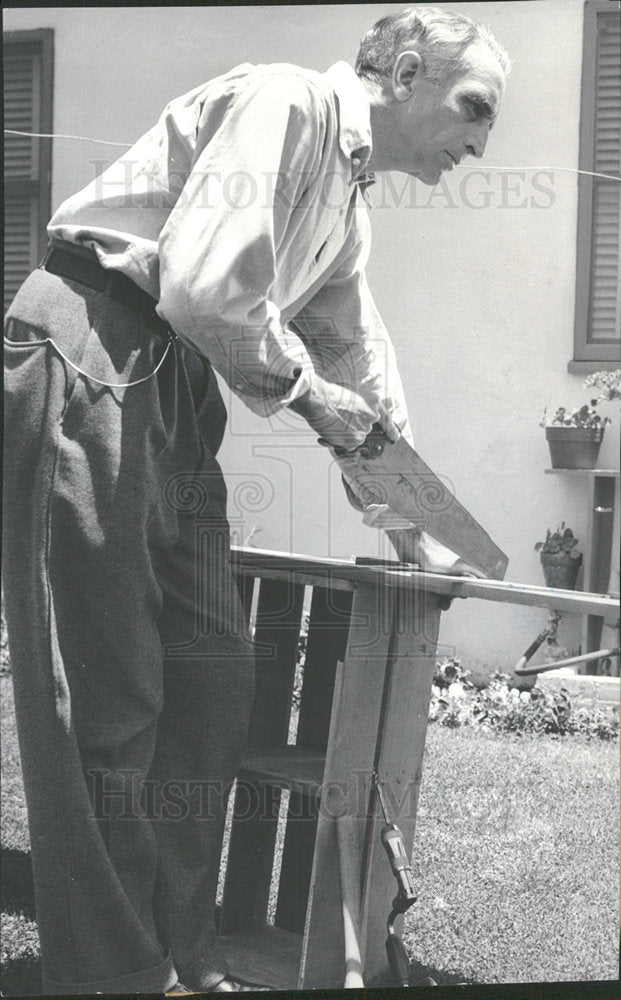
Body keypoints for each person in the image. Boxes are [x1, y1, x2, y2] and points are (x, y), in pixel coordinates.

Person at [3, 5, 509, 994]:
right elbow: (202, 290)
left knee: (209, 684)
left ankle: (185, 957)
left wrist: (416, 532)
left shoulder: (346, 208)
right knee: (110, 704)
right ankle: (117, 974)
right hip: (91, 337)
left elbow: (360, 371)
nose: (483, 142)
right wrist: (319, 402)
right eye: (475, 106)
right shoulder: (290, 102)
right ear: (404, 70)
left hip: (179, 385)